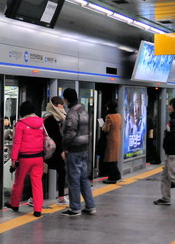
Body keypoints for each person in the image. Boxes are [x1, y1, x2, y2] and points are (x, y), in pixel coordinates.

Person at [5, 101, 44, 217]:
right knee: (37, 183)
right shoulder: (42, 123)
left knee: (19, 181)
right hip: (38, 157)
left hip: (25, 158)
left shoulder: (20, 124)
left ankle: (15, 203)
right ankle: (37, 209)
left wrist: (13, 160)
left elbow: (17, 143)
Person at [60, 88, 96, 216]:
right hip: (84, 149)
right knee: (83, 178)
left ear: (67, 99)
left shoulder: (72, 113)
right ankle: (90, 206)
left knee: (73, 179)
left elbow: (70, 132)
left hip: (74, 150)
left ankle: (75, 208)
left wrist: (64, 147)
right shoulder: (84, 110)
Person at [43, 96, 67, 204]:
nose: (62, 107)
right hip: (52, 151)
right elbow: (57, 136)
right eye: (60, 104)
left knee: (43, 173)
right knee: (61, 171)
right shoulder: (51, 119)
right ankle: (61, 196)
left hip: (50, 151)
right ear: (56, 106)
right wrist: (62, 150)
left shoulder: (56, 118)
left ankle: (33, 197)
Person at [101, 99, 122, 184]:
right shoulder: (118, 115)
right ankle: (116, 174)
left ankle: (112, 177)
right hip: (117, 138)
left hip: (110, 139)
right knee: (114, 158)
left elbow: (106, 129)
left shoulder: (109, 116)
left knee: (110, 158)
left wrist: (102, 125)